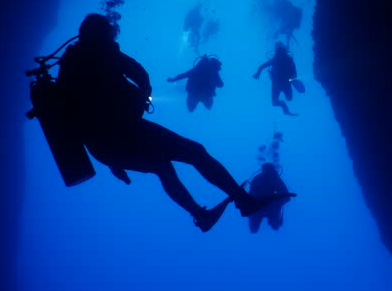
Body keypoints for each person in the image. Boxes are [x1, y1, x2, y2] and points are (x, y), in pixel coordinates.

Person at [57, 13, 293, 232]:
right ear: (101, 34)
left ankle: (201, 215)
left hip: (104, 147)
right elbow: (139, 73)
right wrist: (143, 95)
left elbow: (74, 117)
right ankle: (243, 202)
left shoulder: (70, 64)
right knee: (196, 152)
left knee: (163, 167)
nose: (113, 37)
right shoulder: (102, 53)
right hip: (124, 131)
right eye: (110, 32)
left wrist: (111, 162)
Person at [253, 42, 298, 116]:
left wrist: (257, 73)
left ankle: (284, 107)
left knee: (275, 102)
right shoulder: (288, 59)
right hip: (284, 83)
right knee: (288, 98)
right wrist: (293, 80)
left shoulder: (276, 59)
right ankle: (285, 109)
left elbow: (261, 66)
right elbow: (295, 72)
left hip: (277, 83)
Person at [247, 163, 290, 233]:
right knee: (254, 229)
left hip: (262, 206)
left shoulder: (258, 178)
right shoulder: (274, 178)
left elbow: (286, 197)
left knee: (254, 229)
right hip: (263, 206)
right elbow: (286, 197)